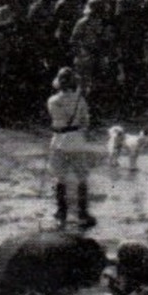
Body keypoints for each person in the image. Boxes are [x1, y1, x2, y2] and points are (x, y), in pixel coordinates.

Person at [46, 67, 94, 228]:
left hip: (58, 140)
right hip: (76, 141)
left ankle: (61, 213)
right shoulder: (80, 100)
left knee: (60, 178)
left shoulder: (52, 101)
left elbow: (55, 120)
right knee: (82, 178)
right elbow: (85, 122)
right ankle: (83, 213)